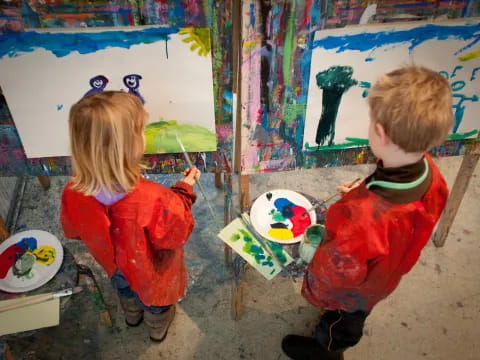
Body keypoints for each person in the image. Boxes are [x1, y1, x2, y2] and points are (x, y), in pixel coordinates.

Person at [282, 66, 453, 360]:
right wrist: (366, 187)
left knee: (341, 323)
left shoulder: (358, 219)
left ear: (379, 132)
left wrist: (312, 285)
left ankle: (327, 350)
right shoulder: (432, 175)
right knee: (356, 313)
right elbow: (403, 217)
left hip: (355, 292)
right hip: (388, 271)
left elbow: (335, 275)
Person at [60, 91, 201, 342]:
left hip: (113, 265)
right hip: (150, 272)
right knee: (155, 301)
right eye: (140, 131)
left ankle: (131, 316)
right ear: (129, 146)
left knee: (124, 289)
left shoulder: (72, 191)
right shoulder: (152, 197)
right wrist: (184, 189)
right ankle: (157, 329)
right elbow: (176, 232)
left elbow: (72, 230)